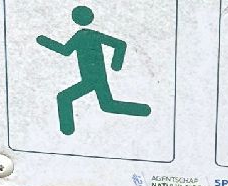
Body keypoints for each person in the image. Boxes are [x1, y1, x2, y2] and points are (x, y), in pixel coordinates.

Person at [35, 6, 151, 135]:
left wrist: (44, 41)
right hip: (98, 77)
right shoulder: (90, 35)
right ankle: (144, 110)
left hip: (92, 79)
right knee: (107, 105)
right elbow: (120, 44)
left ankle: (67, 129)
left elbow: (65, 51)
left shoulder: (82, 35)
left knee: (64, 97)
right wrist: (116, 65)